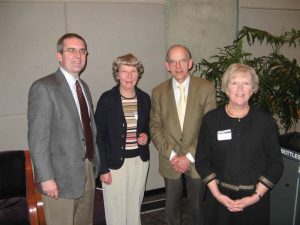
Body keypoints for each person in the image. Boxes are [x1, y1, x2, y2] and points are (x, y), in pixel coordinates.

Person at [195, 63, 284, 225]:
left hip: (255, 201)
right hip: (219, 201)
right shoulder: (211, 120)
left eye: (246, 83)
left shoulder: (265, 121)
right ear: (226, 88)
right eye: (234, 83)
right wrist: (217, 195)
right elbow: (202, 160)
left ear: (253, 89)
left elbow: (275, 163)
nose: (240, 89)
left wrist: (255, 196)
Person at [28, 33, 100, 225]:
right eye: (71, 50)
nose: (78, 55)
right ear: (59, 55)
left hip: (87, 171)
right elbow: (38, 139)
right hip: (59, 178)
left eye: (82, 51)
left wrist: (95, 165)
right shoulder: (43, 87)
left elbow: (89, 129)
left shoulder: (83, 86)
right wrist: (46, 178)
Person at [150, 44, 216, 225]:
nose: (178, 66)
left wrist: (188, 156)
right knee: (171, 209)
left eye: (182, 61)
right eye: (173, 61)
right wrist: (172, 155)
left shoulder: (206, 87)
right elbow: (154, 127)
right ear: (167, 66)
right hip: (169, 160)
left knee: (197, 208)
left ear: (190, 63)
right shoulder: (158, 92)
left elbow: (210, 128)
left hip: (197, 159)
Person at [94, 53, 151, 225]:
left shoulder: (144, 98)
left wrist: (145, 136)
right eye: (124, 71)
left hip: (139, 162)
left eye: (133, 71)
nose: (129, 76)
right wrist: (103, 168)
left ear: (138, 74)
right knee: (116, 211)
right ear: (117, 74)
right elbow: (99, 136)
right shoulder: (107, 99)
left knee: (134, 208)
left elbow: (147, 126)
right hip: (114, 165)